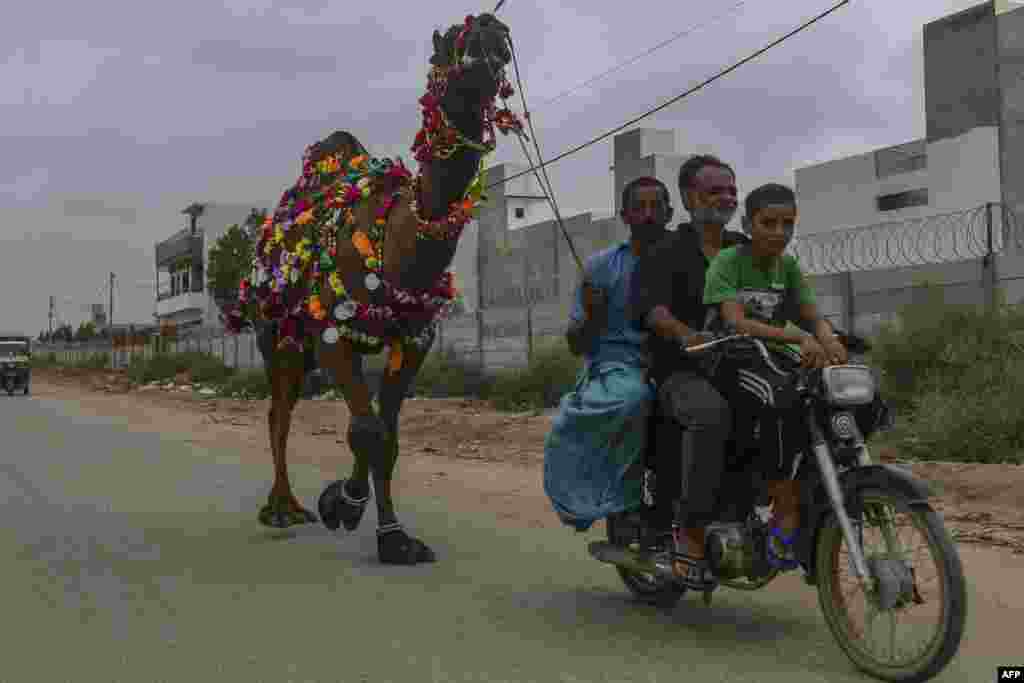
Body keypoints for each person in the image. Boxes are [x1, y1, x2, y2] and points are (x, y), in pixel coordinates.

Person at [703, 182, 847, 568]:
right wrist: (798, 336)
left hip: (775, 356)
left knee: (839, 392)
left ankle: (830, 479)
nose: (780, 233)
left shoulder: (789, 265)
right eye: (769, 223)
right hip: (732, 359)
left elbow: (812, 314)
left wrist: (828, 338)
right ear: (749, 225)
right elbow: (735, 322)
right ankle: (784, 505)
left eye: (788, 224)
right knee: (780, 397)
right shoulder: (728, 261)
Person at [628, 154, 750, 590]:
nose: (726, 198)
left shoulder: (746, 248)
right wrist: (684, 333)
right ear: (688, 197)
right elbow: (653, 309)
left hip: (743, 365)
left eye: (732, 190)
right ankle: (690, 531)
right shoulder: (665, 250)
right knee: (710, 413)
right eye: (715, 190)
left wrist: (821, 332)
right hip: (681, 372)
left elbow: (786, 295)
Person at [543, 176, 674, 532]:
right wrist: (594, 314)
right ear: (624, 215)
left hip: (679, 360)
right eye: (638, 207)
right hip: (621, 366)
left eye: (656, 207)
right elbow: (576, 343)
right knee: (633, 397)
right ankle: (611, 498)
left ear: (670, 213)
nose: (648, 215)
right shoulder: (602, 267)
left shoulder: (684, 258)